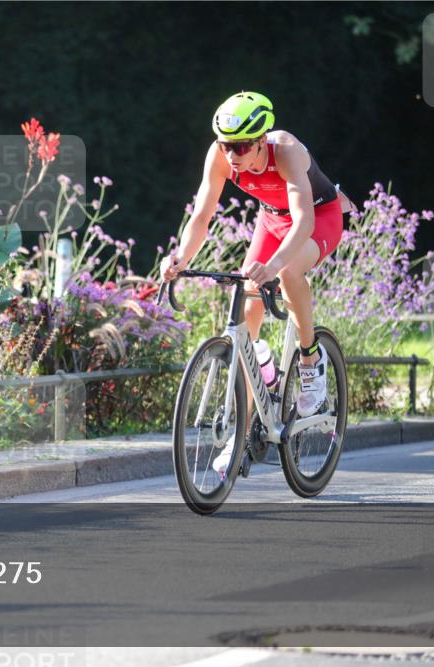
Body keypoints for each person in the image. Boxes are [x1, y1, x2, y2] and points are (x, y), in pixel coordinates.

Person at [159, 91, 352, 477]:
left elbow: (303, 223)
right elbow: (202, 213)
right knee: (248, 310)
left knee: (285, 273)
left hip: (319, 215)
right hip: (271, 219)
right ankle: (244, 428)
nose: (233, 155)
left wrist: (276, 263)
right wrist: (182, 257)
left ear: (261, 140)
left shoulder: (287, 152)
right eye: (227, 145)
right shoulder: (220, 155)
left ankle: (311, 361)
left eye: (243, 146)